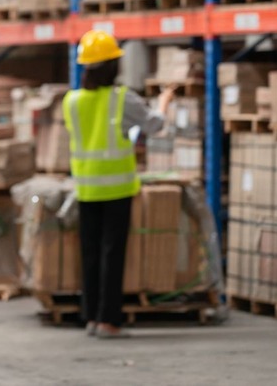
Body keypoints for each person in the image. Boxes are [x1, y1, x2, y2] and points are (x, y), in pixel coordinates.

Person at [62, 30, 174, 339]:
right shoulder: (122, 99)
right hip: (116, 190)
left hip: (85, 188)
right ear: (113, 66)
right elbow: (155, 125)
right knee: (112, 256)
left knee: (90, 255)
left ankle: (92, 319)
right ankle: (109, 320)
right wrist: (164, 102)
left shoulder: (71, 102)